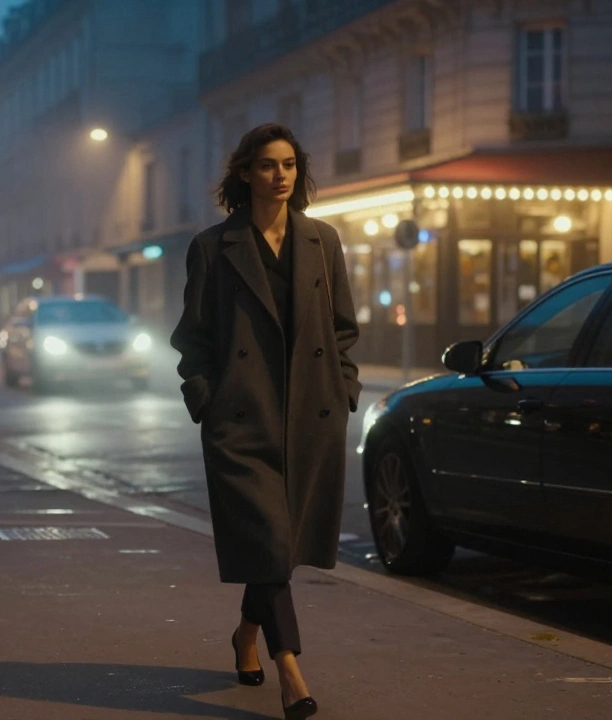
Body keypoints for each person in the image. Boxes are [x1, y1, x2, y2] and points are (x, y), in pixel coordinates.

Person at [170, 123, 361, 720]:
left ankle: (246, 634)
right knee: (271, 541)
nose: (280, 175)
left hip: (310, 415)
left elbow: (343, 326)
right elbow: (192, 338)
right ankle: (291, 671)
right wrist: (207, 398)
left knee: (275, 547)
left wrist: (344, 387)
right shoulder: (212, 247)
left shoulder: (322, 242)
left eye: (288, 165)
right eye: (267, 165)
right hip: (241, 421)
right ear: (245, 174)